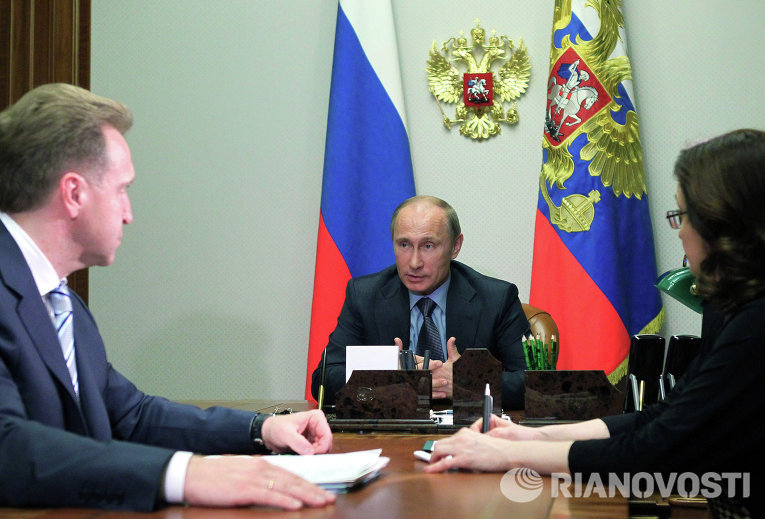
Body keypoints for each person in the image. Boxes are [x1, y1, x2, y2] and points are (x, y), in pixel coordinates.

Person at [0, 83, 335, 512]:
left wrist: (262, 429)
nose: (128, 214)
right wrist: (182, 474)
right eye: (122, 189)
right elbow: (8, 447)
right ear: (74, 194)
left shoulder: (63, 304)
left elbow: (132, 416)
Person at [424, 129, 765, 517]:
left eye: (682, 216)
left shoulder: (755, 324)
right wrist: (532, 435)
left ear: (722, 225)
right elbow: (664, 415)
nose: (681, 231)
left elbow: (653, 450)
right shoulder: (730, 307)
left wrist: (508, 454)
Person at [310, 195, 530, 408]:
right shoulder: (365, 296)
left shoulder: (496, 299)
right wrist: (388, 375)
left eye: (428, 246)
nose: (414, 263)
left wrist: (468, 382)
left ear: (455, 246)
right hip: (393, 427)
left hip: (469, 427)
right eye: (404, 245)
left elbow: (535, 385)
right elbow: (324, 380)